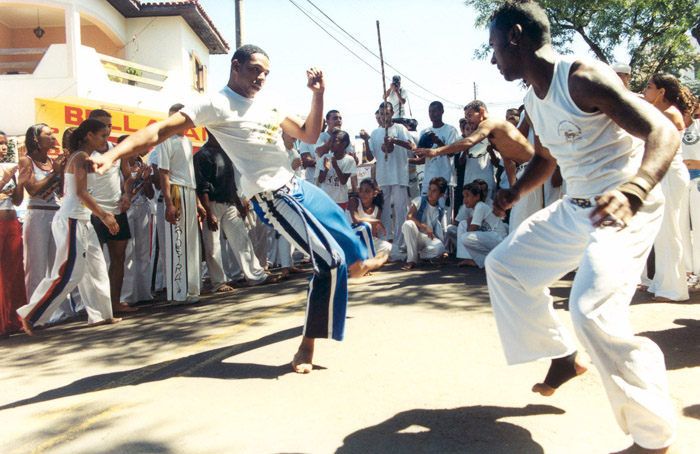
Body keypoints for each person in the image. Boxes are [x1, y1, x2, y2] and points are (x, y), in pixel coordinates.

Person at [90, 44, 386, 374]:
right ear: (236, 66)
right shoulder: (215, 103)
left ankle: (357, 266)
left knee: (345, 230)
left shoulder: (271, 101)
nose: (261, 76)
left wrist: (318, 95)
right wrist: (112, 155)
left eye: (266, 72)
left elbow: (309, 133)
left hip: (296, 184)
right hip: (271, 196)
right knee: (329, 260)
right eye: (255, 69)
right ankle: (307, 344)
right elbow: (157, 131)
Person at [484, 2, 679, 452]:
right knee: (505, 267)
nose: (493, 59)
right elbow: (545, 160)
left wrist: (636, 189)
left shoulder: (581, 78)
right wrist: (516, 192)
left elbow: (664, 132)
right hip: (577, 208)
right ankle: (563, 356)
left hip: (623, 207)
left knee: (591, 310)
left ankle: (653, 439)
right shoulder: (533, 97)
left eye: (494, 47)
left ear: (516, 36)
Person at [17, 119, 122, 334]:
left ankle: (101, 315)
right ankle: (31, 314)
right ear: (89, 136)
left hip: (82, 220)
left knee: (97, 266)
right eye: (102, 135)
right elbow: (82, 193)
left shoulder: (85, 157)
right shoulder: (82, 157)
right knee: (69, 272)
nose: (106, 138)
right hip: (71, 220)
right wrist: (104, 216)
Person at [195, 132, 278, 290]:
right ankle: (218, 282)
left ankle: (255, 276)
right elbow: (202, 187)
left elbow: (231, 181)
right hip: (212, 204)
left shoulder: (226, 151)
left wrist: (238, 203)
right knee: (213, 246)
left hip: (230, 203)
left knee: (242, 240)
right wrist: (208, 211)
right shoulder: (201, 155)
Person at [640, 73, 692, 302]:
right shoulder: (660, 112)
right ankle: (662, 284)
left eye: (649, 86)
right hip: (664, 175)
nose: (645, 90)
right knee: (661, 233)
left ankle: (674, 289)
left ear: (661, 92)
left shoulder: (670, 114)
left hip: (670, 174)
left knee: (670, 232)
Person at [88, 110, 138, 314]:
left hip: (117, 211)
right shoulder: (83, 152)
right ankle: (95, 308)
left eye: (109, 125)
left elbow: (128, 177)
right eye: (102, 125)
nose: (107, 129)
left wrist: (127, 195)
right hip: (94, 213)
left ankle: (114, 302)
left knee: (119, 258)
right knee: (93, 262)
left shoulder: (116, 150)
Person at [158, 103, 202, 304]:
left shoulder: (188, 141)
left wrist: (198, 202)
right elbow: (163, 174)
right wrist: (169, 203)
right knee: (178, 242)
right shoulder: (165, 140)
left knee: (191, 243)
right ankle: (178, 292)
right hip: (176, 191)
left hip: (190, 192)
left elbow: (190, 174)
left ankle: (193, 289)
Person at [17, 124, 66, 301]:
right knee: (36, 265)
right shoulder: (26, 160)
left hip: (55, 213)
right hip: (37, 214)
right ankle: (34, 309)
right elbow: (32, 190)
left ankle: (56, 309)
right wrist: (55, 173)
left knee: (56, 263)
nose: (53, 137)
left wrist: (62, 173)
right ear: (36, 139)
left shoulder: (53, 161)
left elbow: (61, 192)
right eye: (48, 134)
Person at [366, 101, 415, 259]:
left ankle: (400, 244)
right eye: (381, 114)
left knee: (400, 211)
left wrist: (394, 141)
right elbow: (370, 156)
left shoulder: (400, 128)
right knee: (384, 211)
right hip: (383, 177)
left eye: (387, 113)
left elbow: (411, 146)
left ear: (392, 113)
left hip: (399, 176)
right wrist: (366, 141)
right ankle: (384, 243)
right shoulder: (375, 133)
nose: (384, 116)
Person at [0, 131, 31, 336]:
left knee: (14, 272)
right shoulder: (6, 171)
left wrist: (19, 183)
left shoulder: (7, 166)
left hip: (11, 221)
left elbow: (17, 200)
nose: (3, 147)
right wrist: (5, 180)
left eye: (4, 144)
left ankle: (13, 319)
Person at [121, 141, 155, 305]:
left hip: (142, 208)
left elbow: (150, 194)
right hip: (125, 209)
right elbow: (121, 189)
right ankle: (127, 295)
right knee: (128, 252)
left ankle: (144, 292)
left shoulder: (143, 165)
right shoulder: (119, 167)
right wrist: (135, 178)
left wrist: (146, 180)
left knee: (143, 252)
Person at [414, 101, 460, 206]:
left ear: (442, 111)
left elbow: (452, 153)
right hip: (428, 179)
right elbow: (420, 157)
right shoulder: (425, 132)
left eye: (434, 111)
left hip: (445, 178)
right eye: (430, 111)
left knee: (444, 212)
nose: (431, 114)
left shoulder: (450, 130)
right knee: (426, 209)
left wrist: (438, 141)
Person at [401, 176, 448, 271]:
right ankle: (411, 260)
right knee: (408, 224)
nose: (430, 192)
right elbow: (409, 216)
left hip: (428, 239)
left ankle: (419, 255)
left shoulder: (441, 211)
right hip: (415, 236)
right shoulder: (420, 200)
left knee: (439, 248)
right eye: (430, 189)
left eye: (434, 191)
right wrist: (425, 227)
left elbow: (443, 233)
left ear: (441, 195)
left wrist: (443, 251)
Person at [458, 182, 508, 268]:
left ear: (477, 196)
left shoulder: (480, 206)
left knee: (466, 237)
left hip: (498, 238)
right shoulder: (477, 207)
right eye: (464, 196)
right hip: (491, 237)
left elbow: (471, 230)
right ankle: (472, 258)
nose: (465, 199)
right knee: (463, 224)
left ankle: (493, 259)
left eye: (467, 196)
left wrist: (470, 222)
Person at [347, 178, 391, 259]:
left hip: (365, 241)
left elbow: (373, 235)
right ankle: (368, 260)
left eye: (367, 191)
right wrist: (376, 221)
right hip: (351, 237)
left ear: (375, 193)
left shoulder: (377, 209)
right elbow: (356, 220)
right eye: (361, 191)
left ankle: (366, 257)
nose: (363, 194)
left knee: (388, 247)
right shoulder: (354, 201)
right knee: (365, 226)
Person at [317, 129, 357, 210]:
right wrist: (326, 170)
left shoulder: (349, 160)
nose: (331, 144)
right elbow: (320, 180)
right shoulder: (325, 157)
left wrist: (335, 166)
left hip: (340, 200)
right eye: (330, 141)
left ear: (343, 144)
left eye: (335, 141)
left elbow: (343, 181)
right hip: (326, 199)